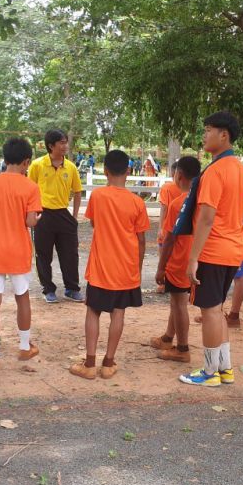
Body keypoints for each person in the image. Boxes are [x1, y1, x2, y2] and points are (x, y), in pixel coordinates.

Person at [176, 111, 243, 387]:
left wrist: (193, 258)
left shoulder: (215, 171)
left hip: (213, 250)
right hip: (232, 250)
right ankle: (225, 369)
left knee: (209, 311)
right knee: (217, 311)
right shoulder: (240, 170)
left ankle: (209, 373)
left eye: (208, 130)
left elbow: (207, 218)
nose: (204, 135)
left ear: (224, 135)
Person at [68, 150, 150, 380]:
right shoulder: (137, 202)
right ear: (128, 171)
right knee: (118, 312)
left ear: (105, 171)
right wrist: (138, 267)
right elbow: (141, 240)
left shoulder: (98, 196)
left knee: (93, 311)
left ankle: (89, 363)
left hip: (101, 267)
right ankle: (108, 363)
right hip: (126, 267)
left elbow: (95, 223)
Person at [0, 137, 43, 371]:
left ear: (5, 159)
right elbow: (30, 221)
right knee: (22, 297)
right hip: (18, 251)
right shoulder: (31, 187)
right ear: (26, 162)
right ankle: (25, 347)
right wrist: (37, 218)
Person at [152, 156, 202, 363]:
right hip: (198, 259)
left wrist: (161, 268)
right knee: (178, 301)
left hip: (180, 260)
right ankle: (167, 338)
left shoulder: (179, 204)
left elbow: (169, 240)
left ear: (179, 175)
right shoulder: (204, 202)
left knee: (179, 303)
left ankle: (182, 348)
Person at [28, 129, 84, 303]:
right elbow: (29, 191)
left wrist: (74, 217)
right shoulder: (37, 165)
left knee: (70, 254)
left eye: (66, 142)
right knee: (43, 255)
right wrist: (32, 214)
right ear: (51, 146)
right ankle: (48, 289)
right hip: (42, 214)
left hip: (63, 214)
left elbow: (77, 192)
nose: (65, 146)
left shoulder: (71, 167)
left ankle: (72, 288)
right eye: (62, 142)